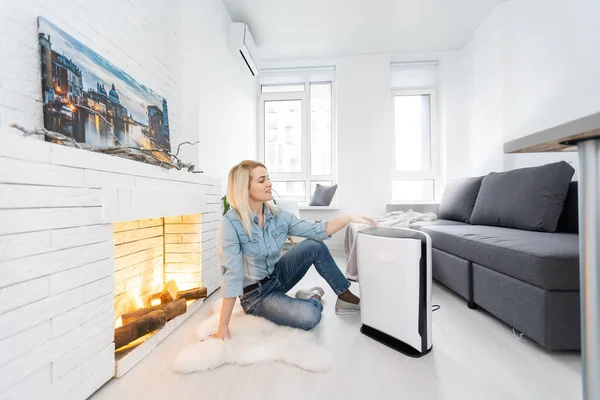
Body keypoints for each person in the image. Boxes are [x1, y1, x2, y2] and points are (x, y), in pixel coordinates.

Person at [211, 160, 378, 340]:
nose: (269, 184)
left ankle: (344, 296)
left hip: (277, 276)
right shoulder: (230, 224)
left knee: (314, 245)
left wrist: (348, 218)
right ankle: (312, 297)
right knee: (310, 317)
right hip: (256, 296)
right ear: (245, 187)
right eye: (262, 181)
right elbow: (231, 276)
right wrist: (222, 327)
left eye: (268, 178)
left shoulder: (277, 215)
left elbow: (316, 231)